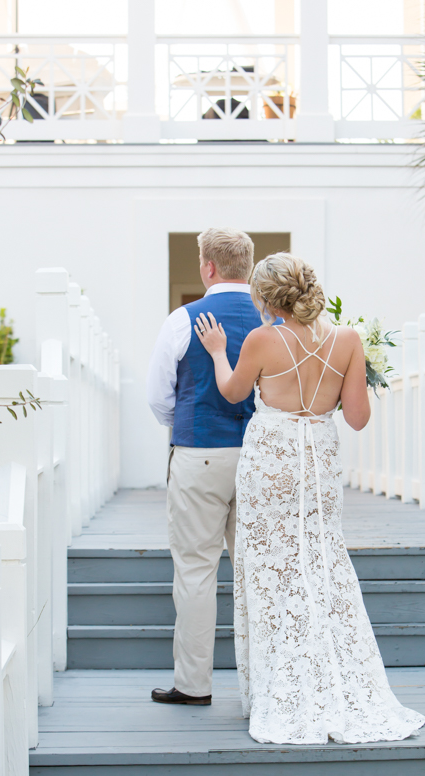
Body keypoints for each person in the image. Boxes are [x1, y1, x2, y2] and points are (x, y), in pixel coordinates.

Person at [195, 252, 425, 744]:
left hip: (271, 463)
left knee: (271, 569)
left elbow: (234, 393)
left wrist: (218, 350)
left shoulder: (261, 339)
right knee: (321, 561)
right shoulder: (347, 339)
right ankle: (335, 680)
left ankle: (277, 688)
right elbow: (358, 418)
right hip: (318, 460)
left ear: (266, 296)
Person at [147, 228, 263, 706]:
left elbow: (158, 398)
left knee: (195, 571)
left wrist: (188, 426)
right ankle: (264, 686)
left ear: (208, 267)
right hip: (259, 456)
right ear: (249, 267)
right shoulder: (271, 319)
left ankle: (194, 685)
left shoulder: (183, 319)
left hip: (198, 454)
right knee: (256, 572)